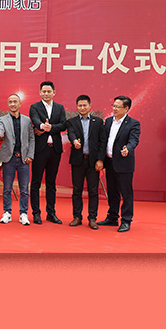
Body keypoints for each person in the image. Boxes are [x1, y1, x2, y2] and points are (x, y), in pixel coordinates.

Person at [98, 96, 141, 233]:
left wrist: (128, 148)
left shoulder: (133, 123)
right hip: (110, 162)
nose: (114, 109)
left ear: (126, 108)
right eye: (114, 106)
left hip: (124, 163)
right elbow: (104, 141)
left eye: (118, 106)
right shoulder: (108, 121)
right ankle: (112, 217)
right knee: (112, 192)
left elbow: (134, 140)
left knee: (126, 193)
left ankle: (126, 220)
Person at [29, 81, 67, 224]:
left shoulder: (59, 108)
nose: (46, 93)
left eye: (49, 91)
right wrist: (41, 125)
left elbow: (63, 124)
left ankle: (51, 213)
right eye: (44, 91)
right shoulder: (35, 107)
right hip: (40, 150)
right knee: (36, 182)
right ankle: (36, 213)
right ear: (40, 93)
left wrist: (50, 127)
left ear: (54, 92)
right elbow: (35, 120)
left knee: (51, 183)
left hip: (55, 150)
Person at [66, 95, 106, 229]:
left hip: (93, 161)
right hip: (78, 161)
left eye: (85, 105)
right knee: (77, 190)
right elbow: (71, 134)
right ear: (77, 107)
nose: (82, 108)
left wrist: (100, 160)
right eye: (80, 105)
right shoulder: (72, 121)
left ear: (90, 106)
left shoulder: (98, 122)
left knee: (93, 191)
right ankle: (77, 217)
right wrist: (74, 141)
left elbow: (103, 142)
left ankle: (92, 218)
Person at [0, 94, 35, 225]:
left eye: (15, 102)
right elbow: (0, 130)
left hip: (23, 159)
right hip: (9, 159)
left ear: (19, 104)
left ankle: (23, 213)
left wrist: (30, 155)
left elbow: (31, 138)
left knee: (24, 189)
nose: (13, 104)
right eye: (10, 102)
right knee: (7, 188)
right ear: (8, 104)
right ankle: (7, 213)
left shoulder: (27, 120)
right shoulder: (2, 120)